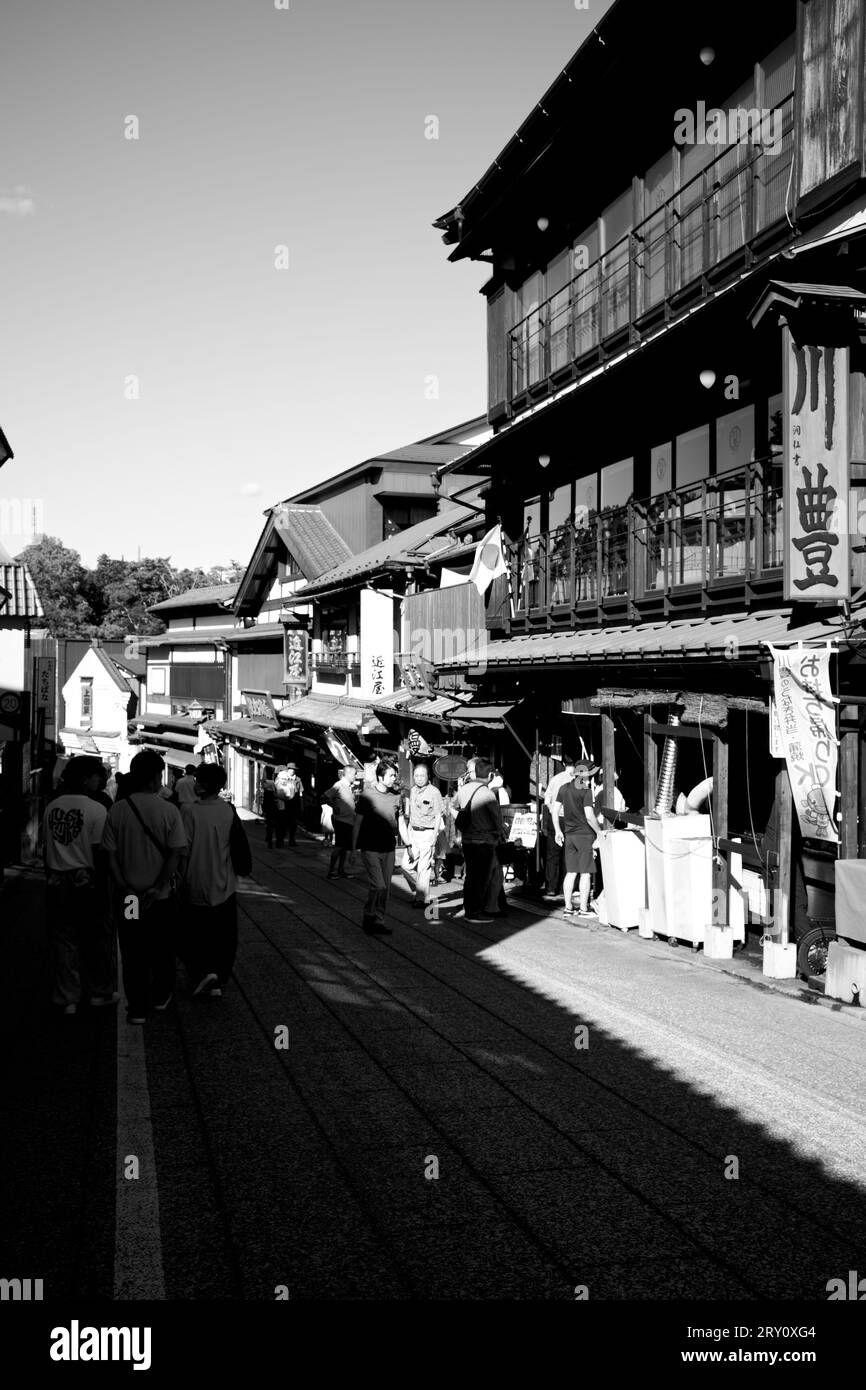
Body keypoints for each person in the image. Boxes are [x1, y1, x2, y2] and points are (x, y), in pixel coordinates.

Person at [102, 750, 188, 1024]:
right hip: (160, 896)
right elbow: (176, 854)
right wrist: (158, 886)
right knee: (162, 948)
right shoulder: (169, 810)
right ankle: (160, 997)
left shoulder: (117, 809)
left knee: (132, 950)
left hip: (129, 898)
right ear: (155, 777)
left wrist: (124, 887)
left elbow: (110, 855)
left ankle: (137, 1007)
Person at [42, 755, 116, 1015]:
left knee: (64, 940)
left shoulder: (51, 807)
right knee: (96, 939)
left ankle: (68, 996)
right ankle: (99, 992)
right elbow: (100, 853)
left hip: (56, 882)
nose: (100, 782)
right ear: (86, 779)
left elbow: (46, 848)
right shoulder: (96, 810)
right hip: (87, 884)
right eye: (97, 777)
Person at [178, 763, 249, 997]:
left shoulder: (189, 812)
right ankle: (217, 976)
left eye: (198, 780)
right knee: (223, 934)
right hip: (224, 882)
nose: (195, 783)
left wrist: (179, 878)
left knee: (195, 933)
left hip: (195, 881)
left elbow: (184, 850)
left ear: (206, 785)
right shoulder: (228, 810)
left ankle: (201, 973)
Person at [353, 761, 400, 935]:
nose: (394, 778)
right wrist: (353, 849)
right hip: (370, 846)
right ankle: (369, 914)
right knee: (378, 885)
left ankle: (378, 920)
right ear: (380, 777)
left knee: (385, 888)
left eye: (395, 775)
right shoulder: (367, 795)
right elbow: (357, 822)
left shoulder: (396, 796)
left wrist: (409, 844)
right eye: (391, 775)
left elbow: (399, 821)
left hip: (389, 847)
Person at [455, 757, 505, 924]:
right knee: (481, 878)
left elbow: (453, 807)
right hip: (484, 842)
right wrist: (499, 834)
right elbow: (497, 821)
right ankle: (475, 912)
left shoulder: (464, 790)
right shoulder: (487, 794)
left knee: (470, 877)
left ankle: (469, 909)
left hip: (467, 841)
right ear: (490, 775)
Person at [553, 759, 604, 918]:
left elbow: (555, 811)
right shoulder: (586, 791)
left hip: (569, 835)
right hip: (584, 835)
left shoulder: (564, 788)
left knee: (571, 872)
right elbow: (589, 816)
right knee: (586, 873)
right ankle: (583, 909)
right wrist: (599, 832)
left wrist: (557, 831)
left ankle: (568, 908)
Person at [399, 763, 445, 908]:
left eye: (422, 776)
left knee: (423, 869)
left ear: (428, 777)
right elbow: (410, 814)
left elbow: (438, 816)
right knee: (405, 866)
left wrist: (433, 838)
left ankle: (421, 899)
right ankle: (420, 891)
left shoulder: (434, 792)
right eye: (416, 776)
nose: (419, 779)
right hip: (413, 833)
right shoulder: (412, 791)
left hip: (427, 833)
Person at [542, 755, 575, 899]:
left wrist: (551, 810)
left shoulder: (555, 779)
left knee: (552, 854)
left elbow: (547, 799)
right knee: (568, 854)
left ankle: (550, 887)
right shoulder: (577, 780)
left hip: (554, 819)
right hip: (570, 819)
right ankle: (564, 888)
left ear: (563, 763)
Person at [324, 765, 357, 878]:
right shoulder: (339, 785)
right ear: (348, 774)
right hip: (341, 820)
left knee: (344, 847)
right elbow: (325, 796)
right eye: (354, 774)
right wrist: (334, 806)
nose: (355, 776)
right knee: (339, 846)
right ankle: (331, 871)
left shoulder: (349, 786)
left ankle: (341, 870)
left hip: (348, 820)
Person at [275, 762, 303, 847]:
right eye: (291, 769)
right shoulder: (282, 778)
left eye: (294, 769)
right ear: (288, 769)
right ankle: (280, 841)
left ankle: (291, 840)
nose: (293, 771)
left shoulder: (298, 779)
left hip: (293, 804)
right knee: (281, 823)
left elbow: (301, 793)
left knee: (293, 824)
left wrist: (301, 805)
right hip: (283, 804)